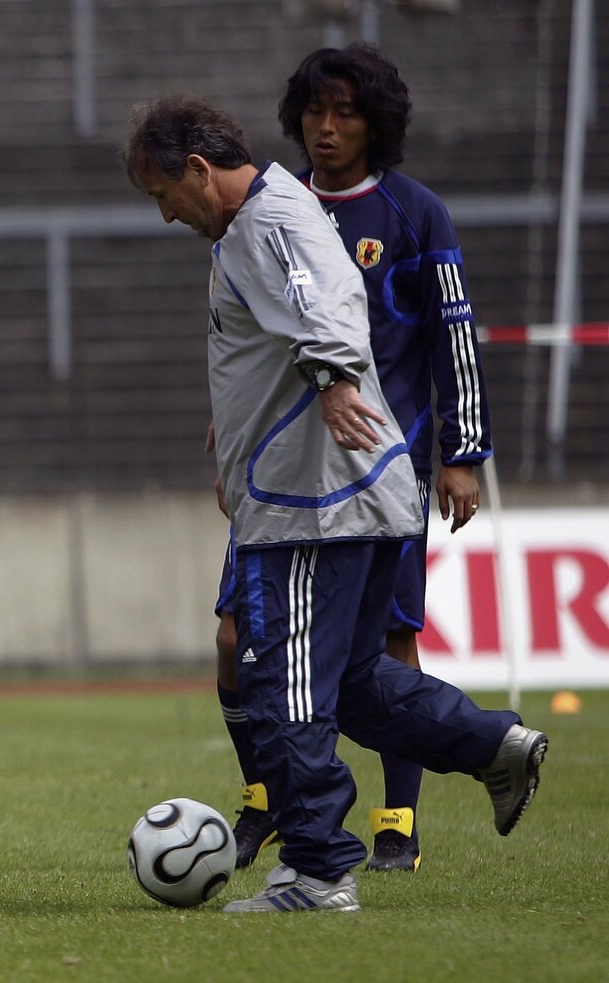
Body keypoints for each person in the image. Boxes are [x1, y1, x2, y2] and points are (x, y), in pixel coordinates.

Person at [124, 95, 545, 913]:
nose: (166, 215)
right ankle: (495, 744)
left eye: (163, 194)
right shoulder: (276, 214)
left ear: (199, 170)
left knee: (283, 681)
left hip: (316, 505)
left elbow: (327, 303)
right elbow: (288, 323)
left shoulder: (268, 222)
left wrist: (331, 378)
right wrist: (238, 424)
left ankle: (318, 871)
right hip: (341, 494)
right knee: (351, 684)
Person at [216, 44, 494, 874]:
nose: (327, 127)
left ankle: (396, 822)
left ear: (377, 124)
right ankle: (266, 797)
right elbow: (248, 333)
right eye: (314, 111)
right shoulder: (273, 208)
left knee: (388, 641)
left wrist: (463, 453)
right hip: (280, 470)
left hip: (382, 467)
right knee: (235, 638)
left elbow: (453, 336)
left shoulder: (415, 213)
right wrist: (226, 423)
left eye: (345, 113)